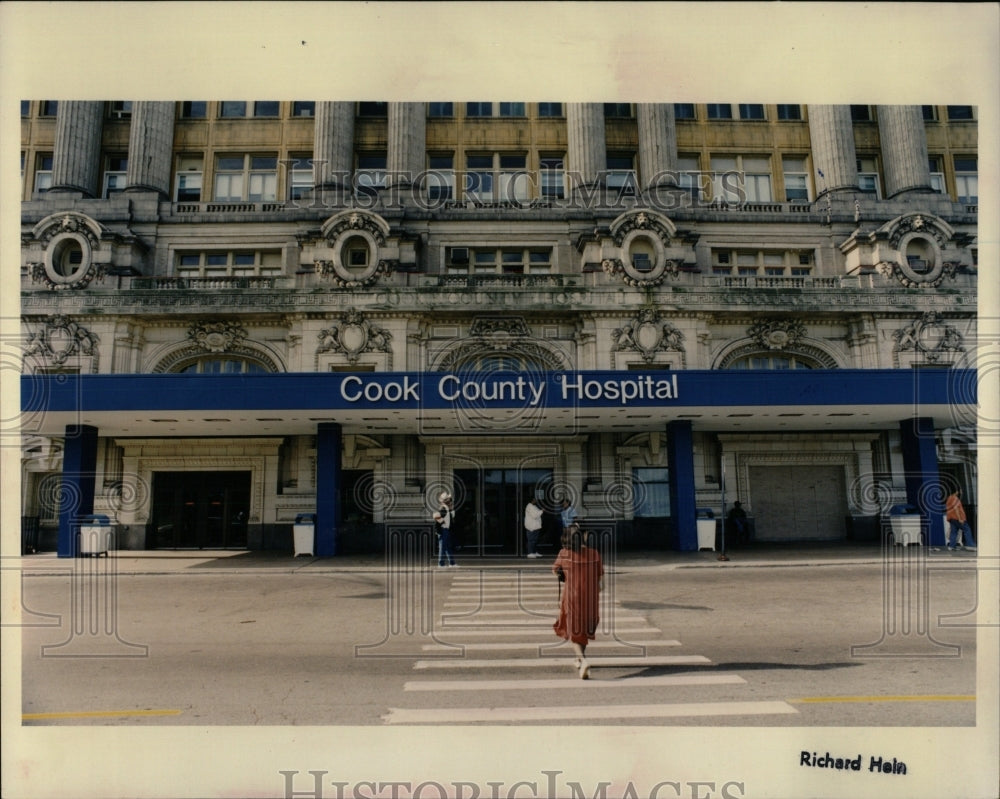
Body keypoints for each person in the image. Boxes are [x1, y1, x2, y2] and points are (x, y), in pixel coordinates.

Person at [552, 523, 603, 679]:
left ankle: (582, 659)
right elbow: (601, 583)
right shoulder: (594, 553)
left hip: (573, 597)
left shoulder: (563, 553)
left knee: (574, 631)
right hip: (591, 598)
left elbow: (555, 570)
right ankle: (579, 659)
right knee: (584, 629)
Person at [432, 492, 457, 567]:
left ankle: (452, 563)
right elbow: (435, 516)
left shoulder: (446, 508)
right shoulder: (444, 508)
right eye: (449, 500)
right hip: (443, 530)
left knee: (447, 547)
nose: (450, 501)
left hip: (446, 530)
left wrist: (451, 509)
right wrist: (442, 522)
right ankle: (441, 563)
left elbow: (451, 516)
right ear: (446, 501)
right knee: (443, 547)